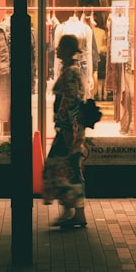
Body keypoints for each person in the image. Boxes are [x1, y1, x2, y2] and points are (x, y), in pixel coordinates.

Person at [44, 33, 89, 230]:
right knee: (65, 169)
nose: (57, 50)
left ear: (68, 50)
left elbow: (71, 103)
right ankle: (72, 211)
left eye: (61, 47)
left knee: (65, 169)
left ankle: (74, 212)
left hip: (69, 131)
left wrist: (71, 132)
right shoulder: (71, 71)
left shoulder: (70, 73)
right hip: (68, 130)